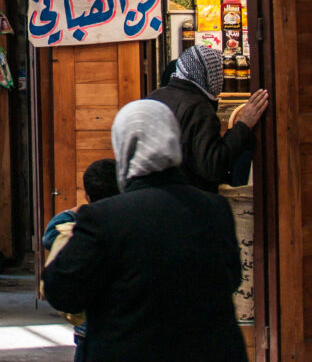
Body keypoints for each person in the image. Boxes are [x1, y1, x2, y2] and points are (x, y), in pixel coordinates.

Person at [42, 99, 246, 362]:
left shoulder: (104, 218)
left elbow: (62, 291)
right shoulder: (215, 208)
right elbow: (231, 278)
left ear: (124, 147)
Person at [147, 45, 269, 192]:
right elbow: (212, 165)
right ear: (208, 73)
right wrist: (243, 125)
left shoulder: (156, 96)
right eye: (218, 72)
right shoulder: (198, 107)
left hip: (156, 193)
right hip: (188, 197)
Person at [41, 158, 119, 362]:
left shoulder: (81, 228)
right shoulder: (131, 225)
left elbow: (50, 235)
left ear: (87, 195)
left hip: (88, 327)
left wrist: (79, 210)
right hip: (126, 326)